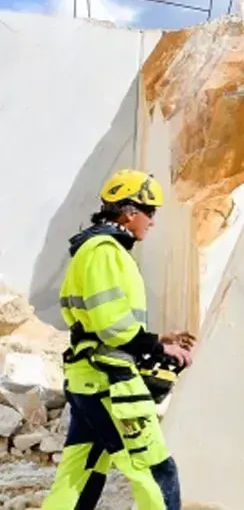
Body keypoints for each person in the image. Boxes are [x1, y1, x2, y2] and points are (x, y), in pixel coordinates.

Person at [42, 169, 195, 510]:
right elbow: (112, 325)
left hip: (89, 379)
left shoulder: (96, 249)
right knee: (156, 470)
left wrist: (158, 337)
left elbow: (100, 321)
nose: (152, 222)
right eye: (150, 212)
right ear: (129, 212)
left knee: (78, 475)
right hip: (110, 382)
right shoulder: (105, 251)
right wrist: (159, 348)